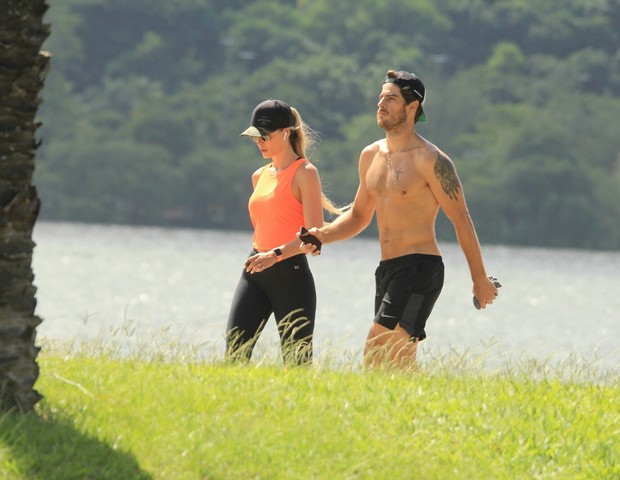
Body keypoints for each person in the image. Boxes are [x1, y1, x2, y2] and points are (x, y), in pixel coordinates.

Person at [300, 70, 500, 369]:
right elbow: (358, 216)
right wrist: (322, 234)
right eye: (380, 97)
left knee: (376, 352)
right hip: (388, 270)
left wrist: (479, 279)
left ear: (412, 107)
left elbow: (461, 220)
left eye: (391, 99)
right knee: (399, 363)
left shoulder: (430, 159)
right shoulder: (370, 155)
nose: (381, 104)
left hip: (420, 268)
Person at [225, 98, 342, 365]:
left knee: (296, 362)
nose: (259, 142)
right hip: (254, 270)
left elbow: (314, 234)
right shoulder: (259, 175)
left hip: (290, 275)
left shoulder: (305, 173)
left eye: (265, 136)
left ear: (286, 132)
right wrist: (264, 256)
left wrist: (275, 255)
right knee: (234, 355)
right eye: (256, 137)